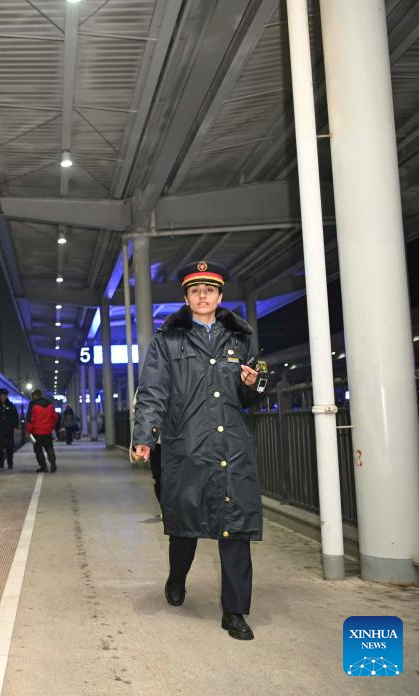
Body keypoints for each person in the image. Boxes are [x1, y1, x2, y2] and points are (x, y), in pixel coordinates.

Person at [132, 261, 264, 641]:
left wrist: (254, 386)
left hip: (232, 448)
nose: (203, 296)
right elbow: (153, 392)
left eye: (209, 290)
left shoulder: (241, 339)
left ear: (220, 296)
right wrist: (145, 437)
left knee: (235, 528)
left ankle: (235, 612)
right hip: (187, 446)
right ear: (187, 298)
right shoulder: (167, 341)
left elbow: (250, 397)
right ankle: (177, 578)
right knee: (185, 526)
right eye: (195, 290)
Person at [25, 389, 57, 473]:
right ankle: (53, 463)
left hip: (36, 433)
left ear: (34, 396)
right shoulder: (50, 405)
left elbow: (30, 420)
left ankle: (43, 467)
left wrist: (28, 431)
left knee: (38, 450)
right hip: (48, 432)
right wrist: (51, 427)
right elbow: (55, 417)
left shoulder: (33, 405)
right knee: (49, 448)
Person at [0, 388, 20, 469]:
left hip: (9, 430)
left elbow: (15, 417)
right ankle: (0, 465)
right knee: (0, 448)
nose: (4, 397)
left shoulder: (11, 406)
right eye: (3, 395)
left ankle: (10, 464)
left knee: (9, 448)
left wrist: (16, 426)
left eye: (5, 395)